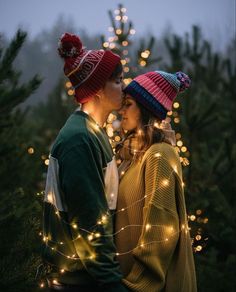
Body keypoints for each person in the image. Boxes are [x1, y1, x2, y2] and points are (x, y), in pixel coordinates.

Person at [42, 32, 128, 292]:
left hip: (88, 278)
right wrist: (113, 284)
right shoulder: (80, 141)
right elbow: (91, 225)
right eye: (117, 81)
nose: (123, 87)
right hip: (81, 282)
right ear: (98, 90)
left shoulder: (92, 131)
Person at [115, 70, 197, 291]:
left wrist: (138, 284)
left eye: (128, 104)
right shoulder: (133, 156)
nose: (121, 111)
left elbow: (160, 229)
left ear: (146, 109)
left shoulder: (159, 155)